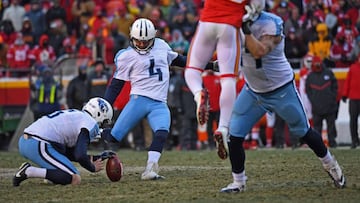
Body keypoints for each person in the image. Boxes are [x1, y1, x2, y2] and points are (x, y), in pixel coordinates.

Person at [220, 0, 345, 193]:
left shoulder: (272, 22)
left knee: (304, 132)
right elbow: (228, 56)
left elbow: (259, 51)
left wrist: (244, 29)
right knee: (234, 136)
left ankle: (331, 165)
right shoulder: (232, 25)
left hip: (281, 90)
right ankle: (238, 182)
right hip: (253, 91)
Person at [101, 18, 216, 180]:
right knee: (113, 137)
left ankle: (150, 169)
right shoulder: (126, 56)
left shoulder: (161, 46)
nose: (141, 45)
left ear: (153, 37)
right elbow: (116, 85)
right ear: (132, 38)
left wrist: (210, 65)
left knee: (162, 133)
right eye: (138, 41)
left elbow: (181, 61)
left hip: (159, 103)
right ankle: (91, 133)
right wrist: (105, 105)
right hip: (138, 100)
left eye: (145, 41)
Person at [184, 0, 248, 160]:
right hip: (229, 26)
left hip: (206, 22)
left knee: (192, 70)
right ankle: (223, 127)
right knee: (228, 78)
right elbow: (257, 8)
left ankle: (199, 94)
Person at [13, 97, 115, 186]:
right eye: (104, 121)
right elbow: (80, 155)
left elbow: (69, 152)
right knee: (74, 178)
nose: (102, 125)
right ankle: (29, 171)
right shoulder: (89, 122)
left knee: (63, 160)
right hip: (38, 143)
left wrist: (97, 157)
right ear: (99, 114)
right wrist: (92, 167)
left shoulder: (77, 115)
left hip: (27, 141)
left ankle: (52, 176)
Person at [306, 56, 339, 148]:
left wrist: (332, 98)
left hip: (329, 106)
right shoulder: (310, 76)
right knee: (317, 128)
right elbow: (308, 90)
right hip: (317, 107)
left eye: (318, 62)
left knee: (331, 126)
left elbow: (335, 87)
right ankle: (318, 145)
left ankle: (332, 142)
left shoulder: (329, 73)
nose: (317, 65)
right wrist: (313, 100)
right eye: (315, 63)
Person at [342, 54, 360, 149]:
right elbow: (347, 81)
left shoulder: (352, 67)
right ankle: (354, 140)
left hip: (354, 98)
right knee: (353, 120)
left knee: (353, 120)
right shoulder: (353, 68)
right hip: (353, 98)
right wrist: (345, 94)